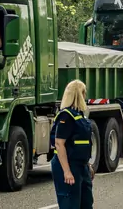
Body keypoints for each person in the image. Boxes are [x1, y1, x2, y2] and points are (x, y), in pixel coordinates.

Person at [50, 80, 95, 209]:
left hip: (81, 166)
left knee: (86, 203)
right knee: (70, 204)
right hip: (68, 165)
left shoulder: (79, 116)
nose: (85, 96)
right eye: (84, 93)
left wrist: (87, 165)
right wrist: (67, 172)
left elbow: (83, 144)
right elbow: (59, 144)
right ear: (79, 94)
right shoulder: (66, 116)